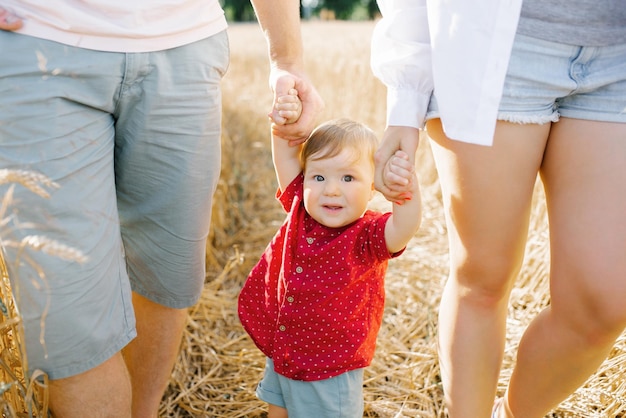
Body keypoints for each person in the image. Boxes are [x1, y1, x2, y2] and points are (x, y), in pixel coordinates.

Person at [0, 2, 322, 417]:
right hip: (38, 40)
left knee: (167, 278)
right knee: (67, 320)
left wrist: (287, 58)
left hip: (185, 44)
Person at [370, 0, 626, 417]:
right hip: (494, 48)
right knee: (482, 279)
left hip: (618, 57)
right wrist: (406, 95)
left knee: (603, 305)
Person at [238, 90, 422, 418]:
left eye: (348, 177)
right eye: (319, 176)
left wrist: (403, 185)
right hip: (285, 349)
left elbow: (406, 225)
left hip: (328, 367)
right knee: (276, 409)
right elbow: (284, 151)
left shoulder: (368, 237)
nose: (331, 189)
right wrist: (284, 120)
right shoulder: (301, 208)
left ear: (373, 187)